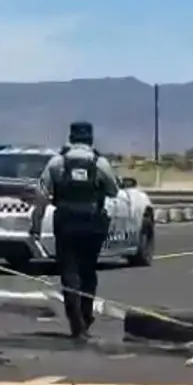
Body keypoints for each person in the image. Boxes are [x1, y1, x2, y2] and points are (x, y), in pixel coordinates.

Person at [32, 121, 120, 341]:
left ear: (71, 138)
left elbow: (41, 196)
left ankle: (76, 323)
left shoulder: (56, 162)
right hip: (92, 225)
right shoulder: (100, 163)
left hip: (66, 223)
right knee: (88, 272)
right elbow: (113, 190)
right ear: (90, 139)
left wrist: (35, 226)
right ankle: (86, 316)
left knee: (69, 273)